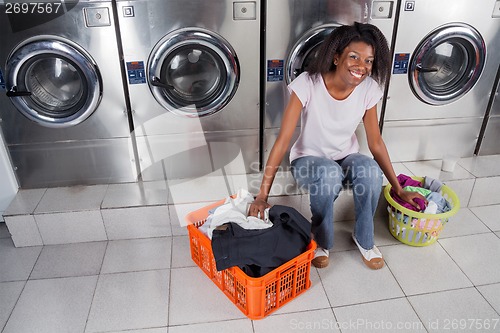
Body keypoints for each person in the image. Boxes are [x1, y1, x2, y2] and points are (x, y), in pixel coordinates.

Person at [248, 22, 426, 269]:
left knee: (370, 170)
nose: (361, 67)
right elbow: (283, 141)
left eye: (368, 61)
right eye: (354, 57)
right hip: (307, 160)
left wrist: (398, 188)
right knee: (330, 172)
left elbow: (375, 142)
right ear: (336, 57)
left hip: (345, 157)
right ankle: (321, 241)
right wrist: (262, 195)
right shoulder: (307, 84)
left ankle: (364, 239)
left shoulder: (368, 89)